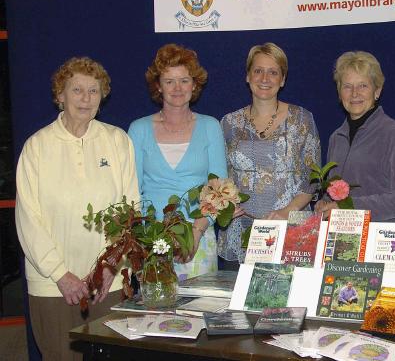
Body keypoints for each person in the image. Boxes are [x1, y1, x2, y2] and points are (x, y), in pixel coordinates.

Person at [15, 57, 139, 360]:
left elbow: (130, 209)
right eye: (77, 90)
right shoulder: (37, 147)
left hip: (108, 284)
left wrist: (110, 265)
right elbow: (28, 219)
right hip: (52, 286)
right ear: (60, 95)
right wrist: (60, 275)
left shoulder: (117, 140)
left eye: (94, 91)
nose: (86, 98)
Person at [128, 43, 227, 280]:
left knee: (198, 311)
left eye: (184, 80)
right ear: (158, 87)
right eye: (169, 81)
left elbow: (219, 190)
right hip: (152, 241)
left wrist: (194, 234)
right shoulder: (138, 129)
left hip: (199, 238)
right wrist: (148, 240)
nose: (177, 88)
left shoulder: (210, 126)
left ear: (194, 85)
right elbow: (132, 193)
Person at [218, 42, 321, 268]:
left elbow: (312, 178)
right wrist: (223, 204)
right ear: (248, 76)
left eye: (273, 72)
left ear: (282, 79)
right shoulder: (228, 124)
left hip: (292, 228)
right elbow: (220, 177)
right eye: (258, 70)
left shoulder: (302, 119)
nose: (265, 78)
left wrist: (286, 212)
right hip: (242, 230)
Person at [315, 51, 395, 222]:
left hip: (381, 242)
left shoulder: (394, 133)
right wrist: (325, 204)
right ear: (340, 94)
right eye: (347, 86)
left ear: (377, 91)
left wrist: (349, 208)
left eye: (363, 85)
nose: (354, 93)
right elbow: (338, 196)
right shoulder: (336, 138)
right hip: (344, 240)